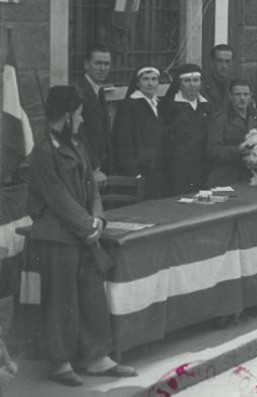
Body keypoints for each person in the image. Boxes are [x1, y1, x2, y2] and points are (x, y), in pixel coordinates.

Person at [28, 85, 137, 386]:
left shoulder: (77, 145)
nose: (81, 120)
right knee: (61, 299)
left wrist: (98, 218)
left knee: (91, 295)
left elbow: (91, 187)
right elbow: (57, 198)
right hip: (57, 237)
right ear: (65, 116)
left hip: (84, 233)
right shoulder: (42, 152)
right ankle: (59, 361)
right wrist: (88, 226)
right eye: (77, 115)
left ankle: (96, 357)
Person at [112, 66, 166, 199]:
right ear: (137, 83)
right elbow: (124, 141)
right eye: (145, 79)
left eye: (154, 79)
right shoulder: (129, 105)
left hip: (156, 172)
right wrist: (134, 172)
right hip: (140, 174)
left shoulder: (158, 104)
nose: (150, 83)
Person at [162, 64, 214, 195]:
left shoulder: (207, 106)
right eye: (187, 81)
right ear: (179, 84)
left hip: (203, 167)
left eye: (196, 80)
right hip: (178, 169)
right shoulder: (169, 107)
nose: (192, 85)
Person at [207, 80, 257, 186]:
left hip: (252, 176)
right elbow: (212, 151)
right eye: (237, 94)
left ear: (250, 95)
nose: (242, 98)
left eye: (246, 94)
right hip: (227, 178)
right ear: (230, 96)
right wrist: (238, 150)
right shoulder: (220, 119)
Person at [75, 45, 112, 185]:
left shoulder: (98, 90)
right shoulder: (78, 90)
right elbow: (78, 135)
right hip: (88, 171)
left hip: (102, 169)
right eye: (98, 63)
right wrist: (94, 168)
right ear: (86, 64)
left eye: (106, 64)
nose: (103, 69)